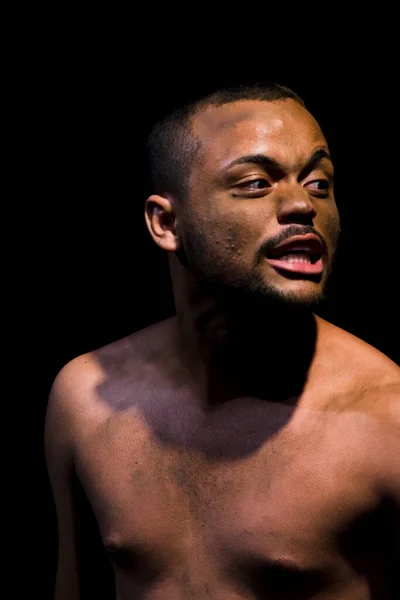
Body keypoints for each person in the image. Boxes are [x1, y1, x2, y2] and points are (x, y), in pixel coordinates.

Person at [45, 82, 400, 600]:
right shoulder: (83, 399)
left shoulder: (388, 419)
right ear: (166, 222)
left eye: (319, 183)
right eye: (257, 183)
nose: (302, 203)